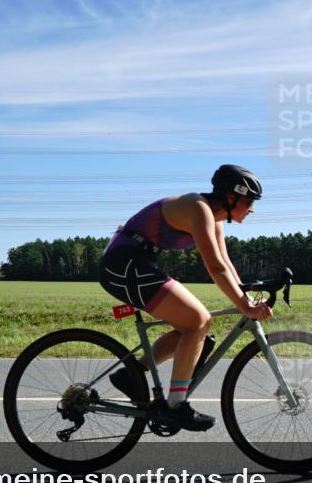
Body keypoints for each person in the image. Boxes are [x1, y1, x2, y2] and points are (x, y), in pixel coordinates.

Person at [98, 165, 272, 431]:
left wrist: (246, 298)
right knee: (198, 321)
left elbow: (226, 264)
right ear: (230, 197)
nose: (252, 209)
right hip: (123, 264)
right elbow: (215, 267)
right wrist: (244, 306)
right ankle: (175, 406)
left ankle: (131, 373)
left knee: (191, 330)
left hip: (136, 262)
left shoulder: (213, 220)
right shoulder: (197, 208)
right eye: (248, 201)